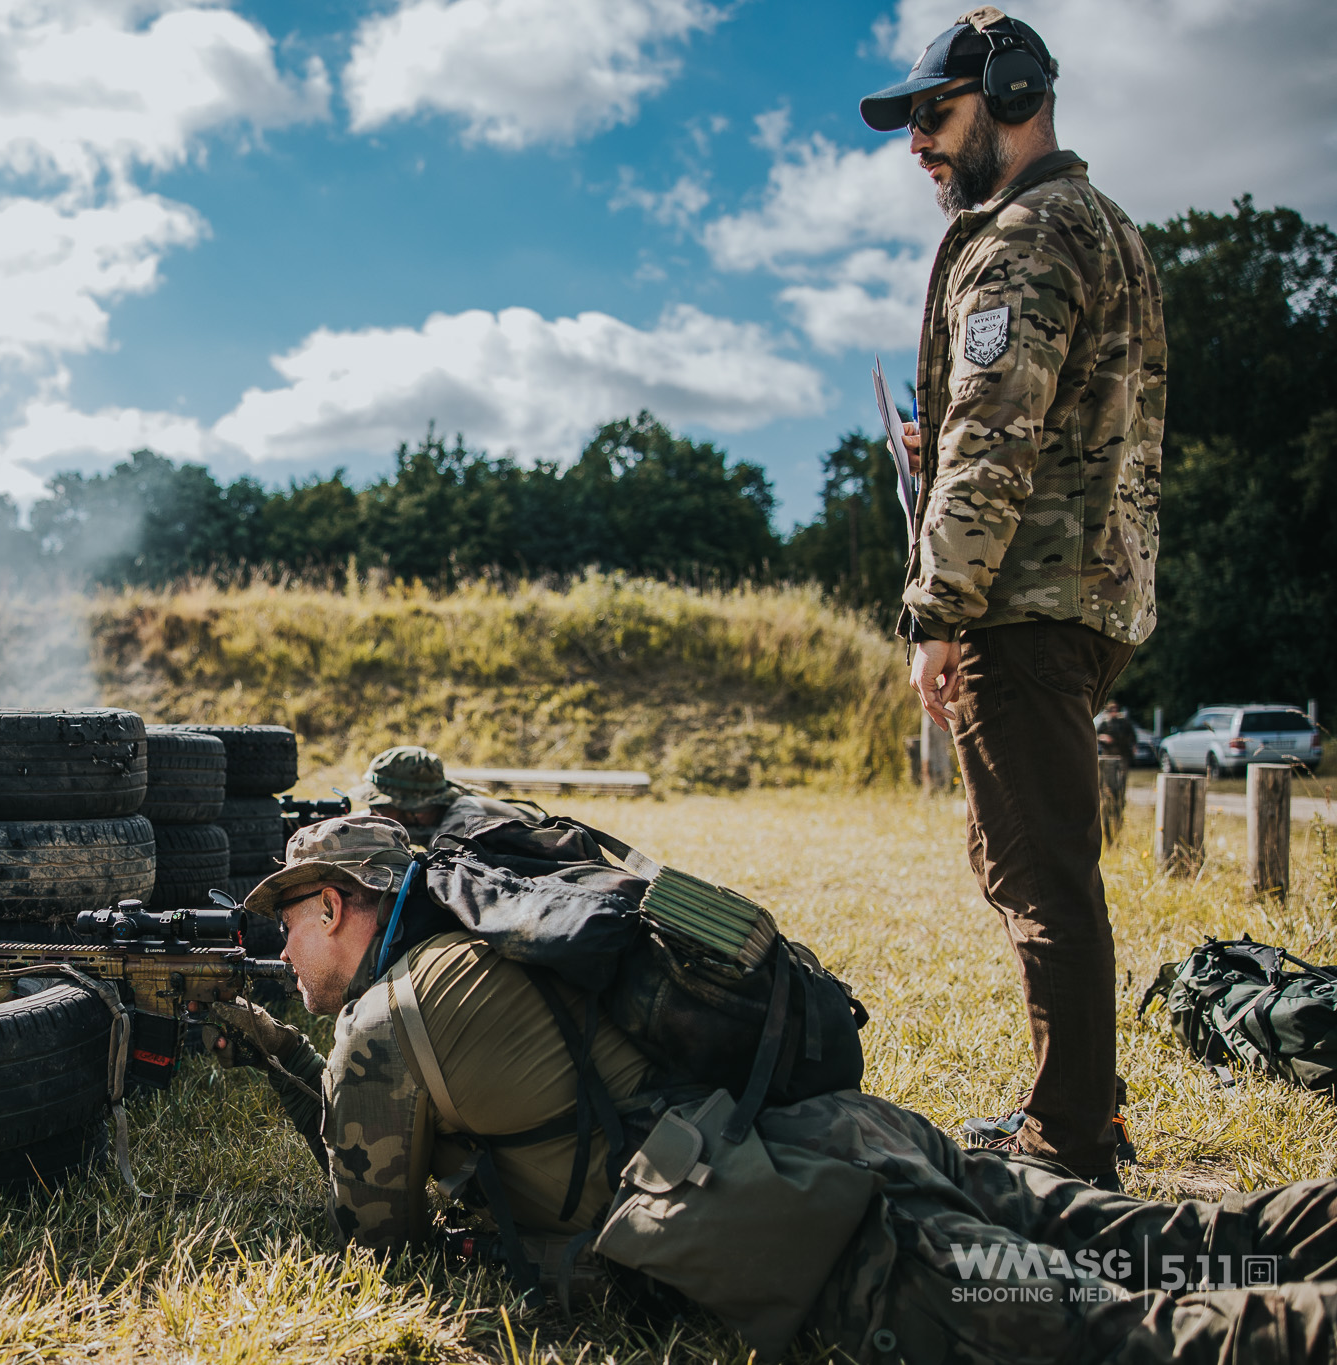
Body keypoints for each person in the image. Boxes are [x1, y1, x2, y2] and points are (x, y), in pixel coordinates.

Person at [210, 814, 1337, 1363]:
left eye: (286, 923)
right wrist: (276, 1052)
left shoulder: (385, 1024)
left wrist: (299, 1067)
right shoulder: (513, 934)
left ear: (336, 905)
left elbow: (378, 1228)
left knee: (1129, 1336)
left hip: (836, 1234)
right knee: (1185, 1243)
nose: (281, 949)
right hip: (859, 1140)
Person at [863, 7, 1167, 1186]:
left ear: (1011, 92)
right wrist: (937, 435)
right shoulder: (1103, 225)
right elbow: (1044, 415)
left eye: (932, 116)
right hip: (1080, 591)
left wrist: (935, 613)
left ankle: (1067, 1143)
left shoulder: (1020, 239)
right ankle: (1079, 1108)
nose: (916, 145)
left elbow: (995, 443)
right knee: (1051, 863)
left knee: (1036, 874)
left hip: (1019, 602)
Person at [350, 745, 536, 847]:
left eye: (378, 806)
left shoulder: (461, 824)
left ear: (414, 809)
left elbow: (431, 880)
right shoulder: (440, 815)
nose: (373, 813)